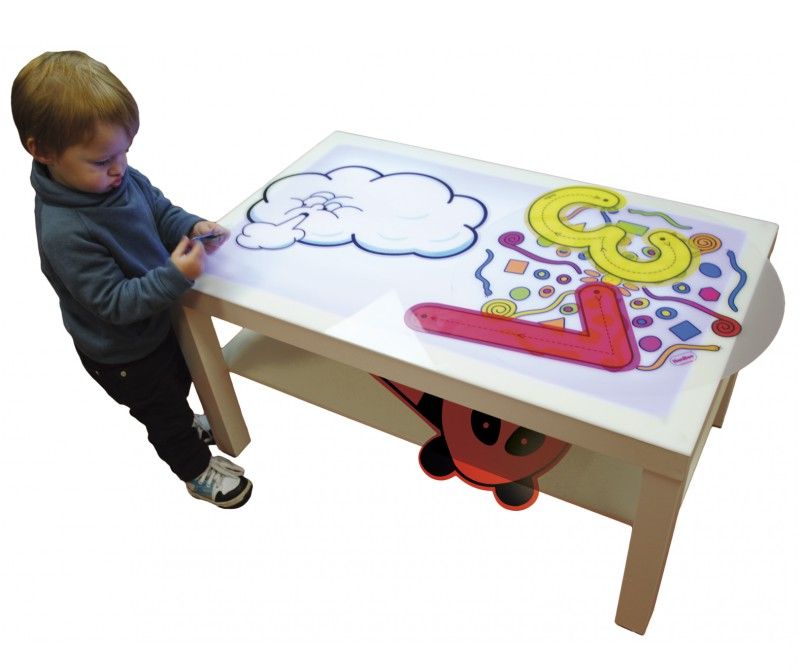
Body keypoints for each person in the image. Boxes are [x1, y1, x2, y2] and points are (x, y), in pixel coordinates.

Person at [11, 50, 252, 508]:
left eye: (125, 152)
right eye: (102, 160)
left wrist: (191, 226)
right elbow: (115, 303)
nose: (119, 168)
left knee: (179, 379)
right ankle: (196, 471)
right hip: (124, 353)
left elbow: (159, 211)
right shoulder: (65, 231)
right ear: (42, 151)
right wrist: (175, 276)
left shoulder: (118, 177)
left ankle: (185, 421)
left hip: (157, 320)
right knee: (162, 413)